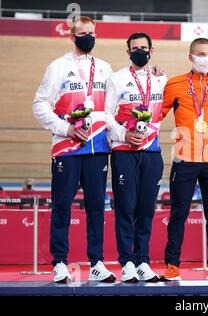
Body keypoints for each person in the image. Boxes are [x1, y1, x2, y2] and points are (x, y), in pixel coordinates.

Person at [32, 16, 115, 283]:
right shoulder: (57, 67)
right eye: (82, 33)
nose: (88, 37)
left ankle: (97, 263)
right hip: (67, 149)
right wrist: (64, 128)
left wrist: (154, 77)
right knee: (62, 206)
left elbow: (114, 107)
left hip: (98, 148)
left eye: (92, 33)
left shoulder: (105, 68)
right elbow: (40, 104)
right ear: (72, 36)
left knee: (96, 208)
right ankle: (59, 262)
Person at [160, 38, 208, 281]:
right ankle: (172, 265)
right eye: (201, 54)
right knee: (178, 214)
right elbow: (156, 114)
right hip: (184, 159)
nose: (207, 58)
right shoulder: (175, 84)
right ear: (191, 57)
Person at [105, 32, 166, 282]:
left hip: (152, 152)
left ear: (152, 50)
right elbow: (106, 115)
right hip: (124, 152)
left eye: (144, 47)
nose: (140, 51)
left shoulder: (161, 80)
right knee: (126, 209)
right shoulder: (116, 79)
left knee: (146, 210)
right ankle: (127, 262)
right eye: (135, 48)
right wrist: (123, 134)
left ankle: (142, 261)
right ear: (128, 52)